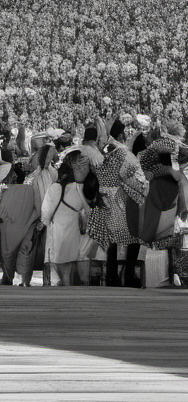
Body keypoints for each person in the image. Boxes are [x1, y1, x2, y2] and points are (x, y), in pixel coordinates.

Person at [86, 117, 148, 287]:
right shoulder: (121, 151)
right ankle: (128, 275)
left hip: (101, 198)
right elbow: (132, 175)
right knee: (133, 237)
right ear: (120, 134)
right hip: (120, 198)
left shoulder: (98, 151)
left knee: (111, 240)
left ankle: (112, 276)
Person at [41, 149, 94, 286]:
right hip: (75, 238)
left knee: (56, 274)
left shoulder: (56, 188)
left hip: (56, 237)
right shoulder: (83, 189)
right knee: (70, 271)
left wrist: (46, 222)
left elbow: (45, 215)